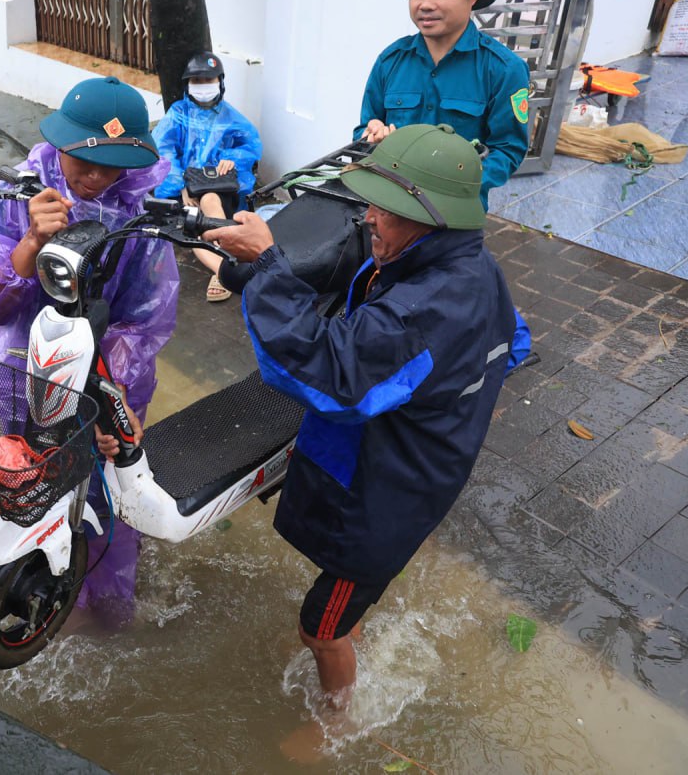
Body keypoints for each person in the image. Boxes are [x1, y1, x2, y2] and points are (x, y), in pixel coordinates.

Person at [205, 124, 524, 712]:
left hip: (394, 492)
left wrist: (269, 266)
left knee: (319, 626)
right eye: (372, 202)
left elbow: (334, 378)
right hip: (414, 453)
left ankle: (339, 723)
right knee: (335, 589)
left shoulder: (422, 311)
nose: (371, 219)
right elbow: (514, 340)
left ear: (434, 219)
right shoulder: (470, 267)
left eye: (389, 210)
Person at [0, 75, 178, 630]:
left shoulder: (138, 218)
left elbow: (146, 318)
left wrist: (113, 395)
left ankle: (108, 604)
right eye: (85, 159)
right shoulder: (16, 197)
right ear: (61, 145)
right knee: (33, 481)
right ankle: (42, 584)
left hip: (104, 382)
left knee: (107, 490)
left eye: (112, 164)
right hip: (22, 376)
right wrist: (30, 242)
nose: (97, 176)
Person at [356, 0, 530, 207]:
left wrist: (457, 183)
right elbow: (363, 130)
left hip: (455, 212)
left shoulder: (503, 69)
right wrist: (372, 136)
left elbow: (508, 149)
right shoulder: (390, 61)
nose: (425, 3)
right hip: (389, 205)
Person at [152, 51, 261, 301]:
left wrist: (232, 158)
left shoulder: (231, 117)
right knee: (196, 219)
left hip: (218, 188)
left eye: (208, 81)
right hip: (184, 191)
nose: (203, 87)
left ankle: (224, 266)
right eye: (197, 81)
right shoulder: (178, 114)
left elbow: (251, 146)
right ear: (188, 85)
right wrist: (181, 185)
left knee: (209, 202)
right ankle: (226, 267)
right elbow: (164, 150)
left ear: (220, 82)